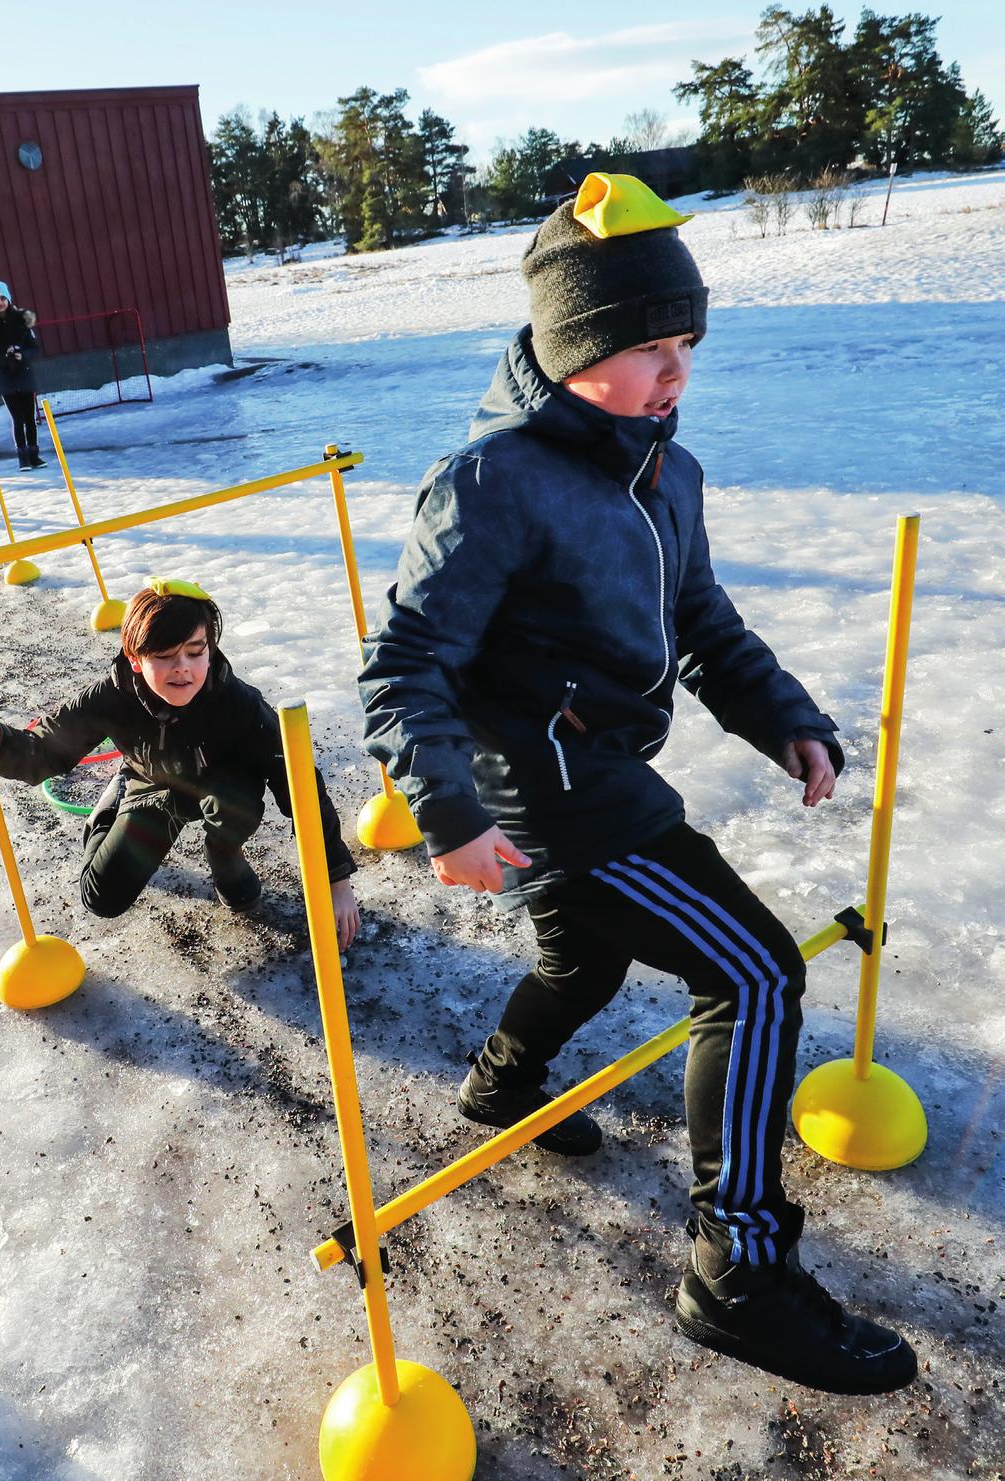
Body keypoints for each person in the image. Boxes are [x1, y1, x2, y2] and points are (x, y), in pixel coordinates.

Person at [358, 173, 916, 1394]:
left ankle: (500, 1081)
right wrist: (446, 811)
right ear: (573, 350)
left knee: (585, 959)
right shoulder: (492, 480)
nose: (676, 370)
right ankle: (739, 1272)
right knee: (756, 970)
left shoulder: (669, 468)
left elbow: (701, 618)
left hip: (601, 767)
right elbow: (405, 663)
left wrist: (784, 717)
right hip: (557, 797)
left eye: (686, 342)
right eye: (648, 347)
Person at [0, 579, 359, 943]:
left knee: (237, 806)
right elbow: (44, 751)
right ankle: (110, 806)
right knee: (101, 897)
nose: (183, 667)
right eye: (164, 656)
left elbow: (297, 782)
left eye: (196, 652)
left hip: (224, 788)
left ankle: (223, 852)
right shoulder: (110, 697)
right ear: (134, 658)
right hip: (154, 787)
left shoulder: (239, 703)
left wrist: (336, 879)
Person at [0, 280, 47, 469]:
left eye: (3, 298)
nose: (0, 302)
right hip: (5, 378)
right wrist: (5, 357)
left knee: (30, 419)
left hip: (24, 375)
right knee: (17, 420)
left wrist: (22, 354)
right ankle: (23, 458)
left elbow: (34, 349)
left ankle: (34, 456)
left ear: (8, 299)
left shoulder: (21, 320)